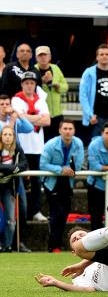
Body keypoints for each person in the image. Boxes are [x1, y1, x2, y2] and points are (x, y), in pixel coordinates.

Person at [12, 71, 51, 227]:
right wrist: (37, 118)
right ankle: (20, 212)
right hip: (21, 146)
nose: (29, 85)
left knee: (36, 181)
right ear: (22, 84)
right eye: (26, 83)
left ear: (35, 85)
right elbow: (17, 116)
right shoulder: (16, 99)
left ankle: (35, 210)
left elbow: (47, 121)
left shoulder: (41, 100)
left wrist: (26, 116)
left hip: (37, 147)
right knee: (19, 179)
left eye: (32, 83)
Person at [40, 119, 84, 253]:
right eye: (65, 128)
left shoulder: (78, 143)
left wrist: (70, 170)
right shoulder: (50, 144)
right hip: (52, 182)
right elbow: (43, 165)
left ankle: (58, 244)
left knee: (64, 214)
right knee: (55, 214)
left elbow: (79, 164)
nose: (68, 131)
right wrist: (61, 169)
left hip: (68, 182)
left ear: (74, 131)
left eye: (70, 129)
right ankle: (53, 246)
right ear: (60, 130)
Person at [79, 44, 108, 139]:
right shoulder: (88, 73)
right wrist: (90, 115)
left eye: (107, 54)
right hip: (96, 118)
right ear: (97, 57)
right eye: (101, 54)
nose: (104, 56)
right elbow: (83, 96)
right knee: (95, 147)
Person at [0, 126, 28, 253]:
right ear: (1, 136)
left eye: (10, 134)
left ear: (13, 137)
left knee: (11, 220)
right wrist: (12, 169)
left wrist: (6, 169)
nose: (7, 137)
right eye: (5, 134)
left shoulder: (17, 150)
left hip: (9, 187)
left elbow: (23, 165)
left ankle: (7, 246)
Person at [34, 46, 68, 141]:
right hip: (41, 115)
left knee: (57, 141)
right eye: (40, 56)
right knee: (41, 142)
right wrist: (41, 82)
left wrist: (56, 85)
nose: (43, 57)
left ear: (50, 57)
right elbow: (29, 90)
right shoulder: (33, 70)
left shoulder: (56, 68)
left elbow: (65, 87)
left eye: (45, 55)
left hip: (57, 114)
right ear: (36, 58)